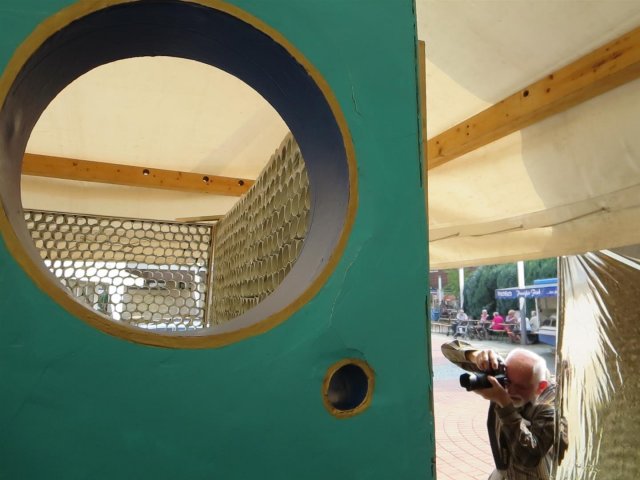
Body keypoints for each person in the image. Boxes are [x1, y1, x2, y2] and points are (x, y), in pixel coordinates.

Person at [441, 340, 556, 479]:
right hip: (503, 472)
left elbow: (530, 456)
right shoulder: (507, 371)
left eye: (520, 387)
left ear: (540, 386)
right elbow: (448, 348)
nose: (510, 391)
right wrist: (476, 356)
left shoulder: (551, 401)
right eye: (507, 382)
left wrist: (505, 404)